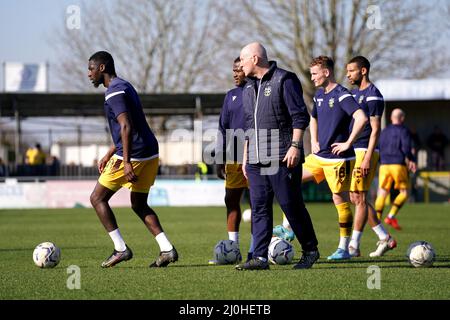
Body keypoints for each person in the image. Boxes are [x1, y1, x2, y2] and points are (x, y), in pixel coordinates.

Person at [88, 51, 177, 268]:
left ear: (102, 68)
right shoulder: (125, 85)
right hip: (150, 151)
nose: (88, 74)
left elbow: (126, 125)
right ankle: (167, 249)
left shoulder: (113, 92)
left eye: (91, 68)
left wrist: (126, 161)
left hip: (134, 154)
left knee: (97, 198)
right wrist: (111, 151)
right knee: (138, 203)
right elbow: (131, 125)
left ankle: (120, 249)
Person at [235, 42, 319, 270]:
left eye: (242, 59)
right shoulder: (247, 88)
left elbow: (299, 116)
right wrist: (245, 157)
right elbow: (249, 126)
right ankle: (260, 258)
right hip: (254, 160)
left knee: (291, 205)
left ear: (254, 59)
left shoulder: (285, 79)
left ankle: (310, 250)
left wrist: (295, 146)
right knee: (259, 208)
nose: (240, 64)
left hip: (282, 157)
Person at [302, 56, 368, 261]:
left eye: (314, 73)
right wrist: (313, 140)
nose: (312, 78)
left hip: (338, 160)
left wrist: (348, 143)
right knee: (289, 179)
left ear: (326, 72)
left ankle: (343, 248)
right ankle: (288, 228)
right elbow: (313, 118)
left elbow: (362, 118)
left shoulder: (341, 94)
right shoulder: (319, 95)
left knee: (339, 199)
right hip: (319, 156)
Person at [346, 56, 397, 258]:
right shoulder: (354, 93)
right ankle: (384, 237)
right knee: (355, 197)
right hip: (354, 151)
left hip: (365, 152)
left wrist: (367, 157)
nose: (348, 74)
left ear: (363, 71)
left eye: (351, 71)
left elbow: (376, 130)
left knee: (359, 198)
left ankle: (353, 245)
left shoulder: (373, 95)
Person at [212, 57, 254, 264]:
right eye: (234, 70)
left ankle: (256, 249)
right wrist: (220, 157)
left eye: (239, 69)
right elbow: (223, 128)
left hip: (256, 155)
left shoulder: (257, 91)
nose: (235, 73)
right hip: (234, 157)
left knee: (258, 203)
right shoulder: (231, 96)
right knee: (231, 201)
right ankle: (233, 248)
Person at [375, 108, 417, 231]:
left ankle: (376, 220)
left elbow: (378, 147)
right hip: (397, 164)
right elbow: (406, 147)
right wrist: (411, 159)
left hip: (384, 165)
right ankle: (390, 216)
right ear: (402, 118)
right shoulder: (404, 131)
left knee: (382, 192)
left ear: (391, 118)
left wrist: (380, 162)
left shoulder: (384, 131)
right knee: (404, 193)